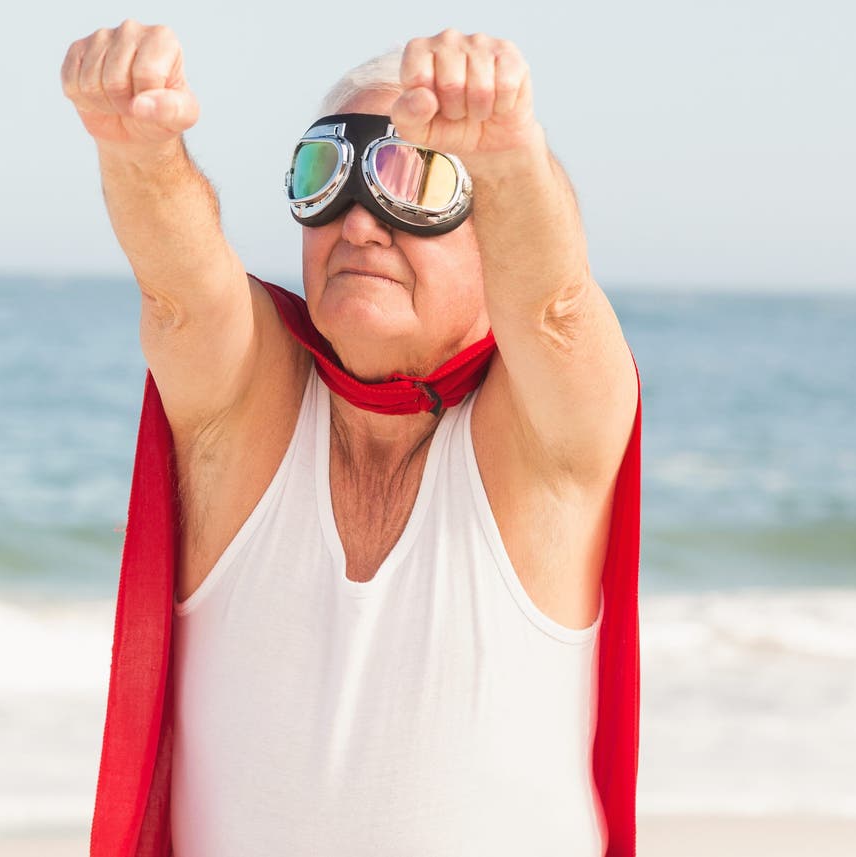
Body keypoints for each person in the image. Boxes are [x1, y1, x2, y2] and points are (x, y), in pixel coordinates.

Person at [62, 22, 643, 857]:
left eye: (417, 182)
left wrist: (510, 156)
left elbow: (555, 309)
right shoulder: (252, 404)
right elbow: (183, 296)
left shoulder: (544, 444)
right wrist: (139, 147)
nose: (361, 227)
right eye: (326, 178)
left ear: (496, 248)